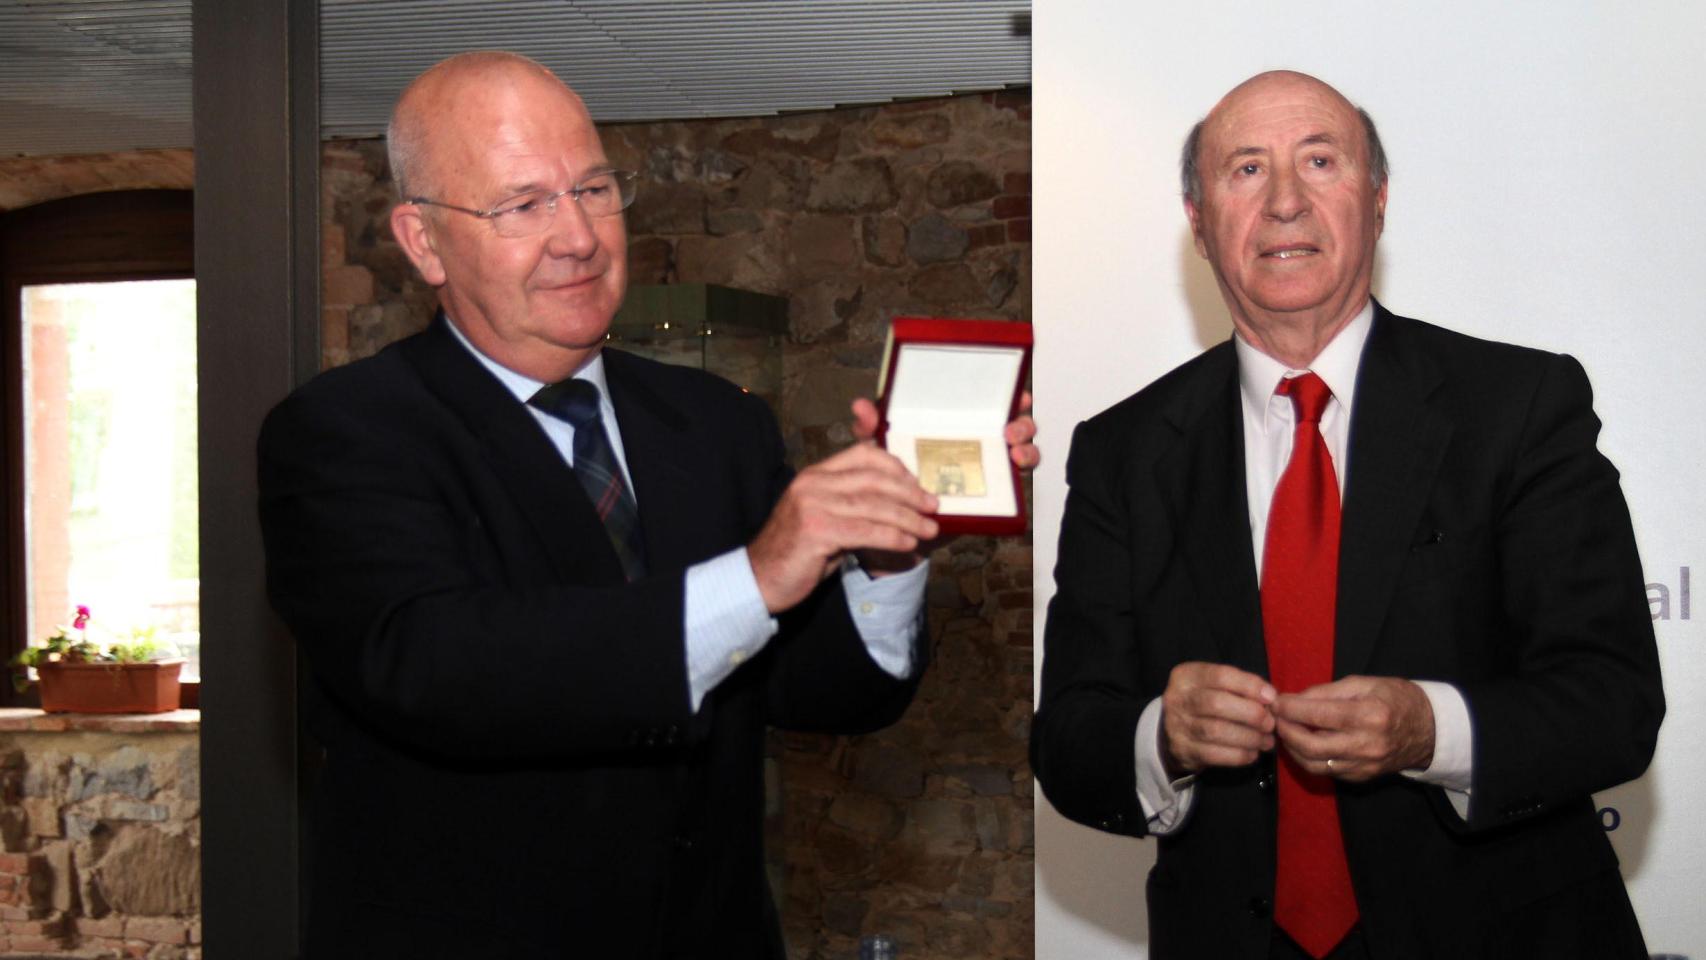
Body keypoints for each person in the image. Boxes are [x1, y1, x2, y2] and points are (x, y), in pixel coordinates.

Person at [258, 51, 1037, 959]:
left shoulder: (712, 424)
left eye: (592, 188)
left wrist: (888, 549)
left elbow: (820, 691)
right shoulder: (346, 432)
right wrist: (755, 577)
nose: (579, 236)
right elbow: (440, 670)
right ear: (424, 241)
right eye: (523, 204)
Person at [1031, 70, 1663, 960]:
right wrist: (1160, 734)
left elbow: (1614, 701)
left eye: (1320, 161)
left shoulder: (1517, 406)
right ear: (1199, 221)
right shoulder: (1123, 450)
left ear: (1377, 201)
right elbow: (1068, 740)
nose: (1285, 201)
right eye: (1245, 170)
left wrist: (1428, 728)